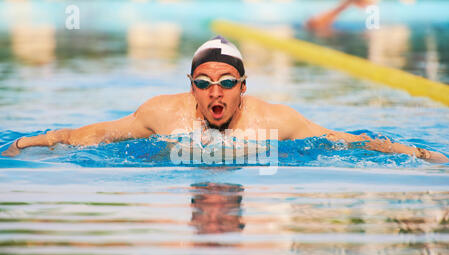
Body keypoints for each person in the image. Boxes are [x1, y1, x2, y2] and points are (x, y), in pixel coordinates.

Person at [2, 36, 447, 163]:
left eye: (227, 82)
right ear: (191, 84)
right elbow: (98, 135)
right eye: (204, 81)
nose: (215, 92)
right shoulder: (162, 113)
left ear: (243, 86)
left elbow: (346, 141)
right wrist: (32, 141)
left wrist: (421, 153)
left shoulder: (276, 121)